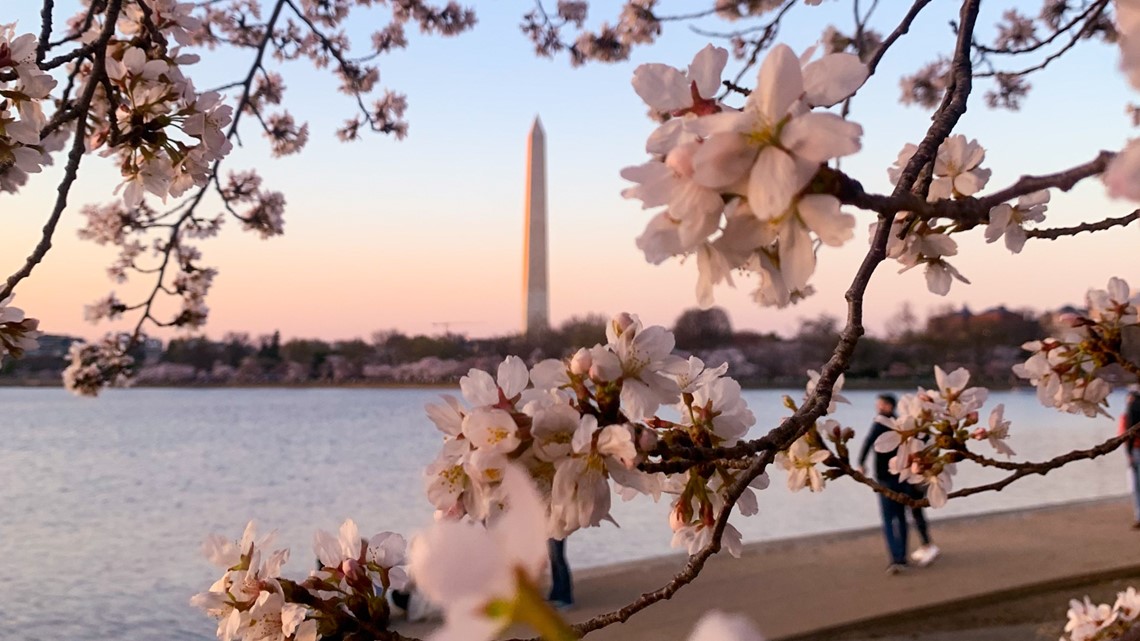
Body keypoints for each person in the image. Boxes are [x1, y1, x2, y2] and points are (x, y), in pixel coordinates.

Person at [858, 393, 939, 574]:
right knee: (901, 517)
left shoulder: (882, 422)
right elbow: (922, 440)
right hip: (903, 477)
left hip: (888, 478)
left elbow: (868, 443)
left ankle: (896, 558)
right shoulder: (902, 422)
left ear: (888, 406)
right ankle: (901, 557)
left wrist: (860, 463)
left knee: (889, 519)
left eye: (880, 404)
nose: (878, 407)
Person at [1120, 388, 1140, 528]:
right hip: (1135, 450)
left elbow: (1125, 434)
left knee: (1137, 486)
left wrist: (1129, 452)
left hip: (1136, 450)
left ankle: (1139, 516)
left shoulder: (1130, 411)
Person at [547, 537, 573, 609]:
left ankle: (566, 598)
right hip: (550, 529)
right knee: (554, 558)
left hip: (557, 529)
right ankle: (556, 593)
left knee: (558, 558)